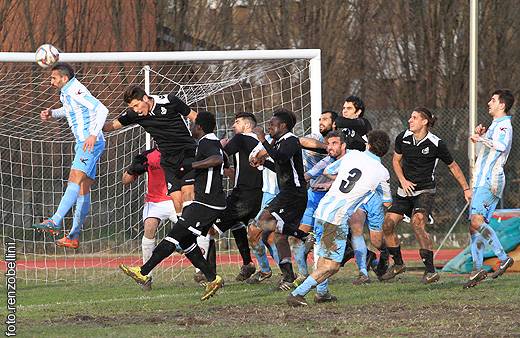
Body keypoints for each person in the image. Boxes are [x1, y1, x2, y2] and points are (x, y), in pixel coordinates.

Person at [119, 111, 226, 301]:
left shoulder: (209, 141)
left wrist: (193, 165)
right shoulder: (205, 142)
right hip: (205, 201)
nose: (191, 128)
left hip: (207, 203)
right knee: (185, 242)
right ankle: (212, 278)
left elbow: (218, 159)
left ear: (199, 127)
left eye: (193, 125)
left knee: (173, 237)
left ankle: (144, 271)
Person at [287, 130, 391, 306]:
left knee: (322, 256)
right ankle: (297, 294)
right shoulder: (382, 173)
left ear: (368, 145)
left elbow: (328, 170)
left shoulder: (354, 155)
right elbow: (387, 202)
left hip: (322, 211)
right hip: (336, 219)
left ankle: (322, 293)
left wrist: (339, 179)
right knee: (332, 266)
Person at [381, 107, 472, 284]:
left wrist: (466, 188)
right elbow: (396, 160)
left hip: (425, 191)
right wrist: (403, 180)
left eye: (414, 117)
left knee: (417, 222)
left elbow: (453, 166)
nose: (410, 120)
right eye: (410, 117)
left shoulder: (436, 144)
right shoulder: (403, 137)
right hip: (404, 191)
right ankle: (398, 264)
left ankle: (430, 271)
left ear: (424, 122)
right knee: (387, 225)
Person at [32, 63, 108, 249]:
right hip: (85, 142)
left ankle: (55, 220)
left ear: (64, 78)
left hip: (89, 142)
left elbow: (102, 109)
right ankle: (73, 236)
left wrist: (92, 134)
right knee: (83, 189)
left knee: (74, 178)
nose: (51, 81)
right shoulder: (67, 91)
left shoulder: (75, 90)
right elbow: (70, 110)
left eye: (53, 78)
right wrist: (52, 113)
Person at [103, 85, 198, 215]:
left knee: (187, 193)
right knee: (177, 201)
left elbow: (195, 117)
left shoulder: (169, 101)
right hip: (168, 159)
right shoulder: (134, 114)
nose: (135, 110)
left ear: (145, 98)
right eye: (132, 107)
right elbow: (112, 126)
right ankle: (186, 233)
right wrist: (93, 127)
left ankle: (197, 233)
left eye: (136, 105)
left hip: (187, 152)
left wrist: (208, 139)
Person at [252, 109, 310, 289]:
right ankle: (288, 277)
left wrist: (262, 140)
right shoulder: (279, 143)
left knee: (263, 220)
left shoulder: (291, 140)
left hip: (294, 193)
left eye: (272, 124)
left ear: (283, 126)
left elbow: (282, 157)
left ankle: (304, 236)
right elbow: (281, 165)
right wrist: (264, 163)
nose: (269, 127)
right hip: (288, 192)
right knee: (279, 236)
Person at [464, 89, 515, 288]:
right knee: (473, 225)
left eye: (493, 100)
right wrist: (480, 137)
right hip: (481, 179)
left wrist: (482, 139)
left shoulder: (504, 126)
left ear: (502, 105)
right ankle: (477, 269)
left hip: (490, 180)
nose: (489, 103)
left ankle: (503, 258)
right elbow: (485, 153)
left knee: (476, 221)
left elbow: (501, 147)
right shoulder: (494, 125)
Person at [121, 147, 177, 291]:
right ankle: (146, 277)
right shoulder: (148, 155)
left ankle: (201, 273)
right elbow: (125, 180)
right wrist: (133, 169)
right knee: (149, 227)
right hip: (154, 202)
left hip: (175, 199)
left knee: (191, 231)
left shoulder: (178, 149)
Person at [216, 112, 264, 281]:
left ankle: (207, 274)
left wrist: (219, 145)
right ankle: (250, 264)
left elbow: (220, 154)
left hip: (243, 194)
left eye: (236, 122)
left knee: (211, 228)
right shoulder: (259, 143)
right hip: (258, 194)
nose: (233, 126)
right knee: (246, 229)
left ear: (247, 126)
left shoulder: (240, 139)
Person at [293, 111, 336, 283]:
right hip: (314, 195)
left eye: (325, 119)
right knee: (298, 236)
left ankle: (366, 269)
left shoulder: (342, 145)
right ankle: (303, 275)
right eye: (319, 119)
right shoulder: (315, 139)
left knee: (328, 240)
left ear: (334, 124)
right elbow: (300, 141)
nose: (320, 122)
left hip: (334, 199)